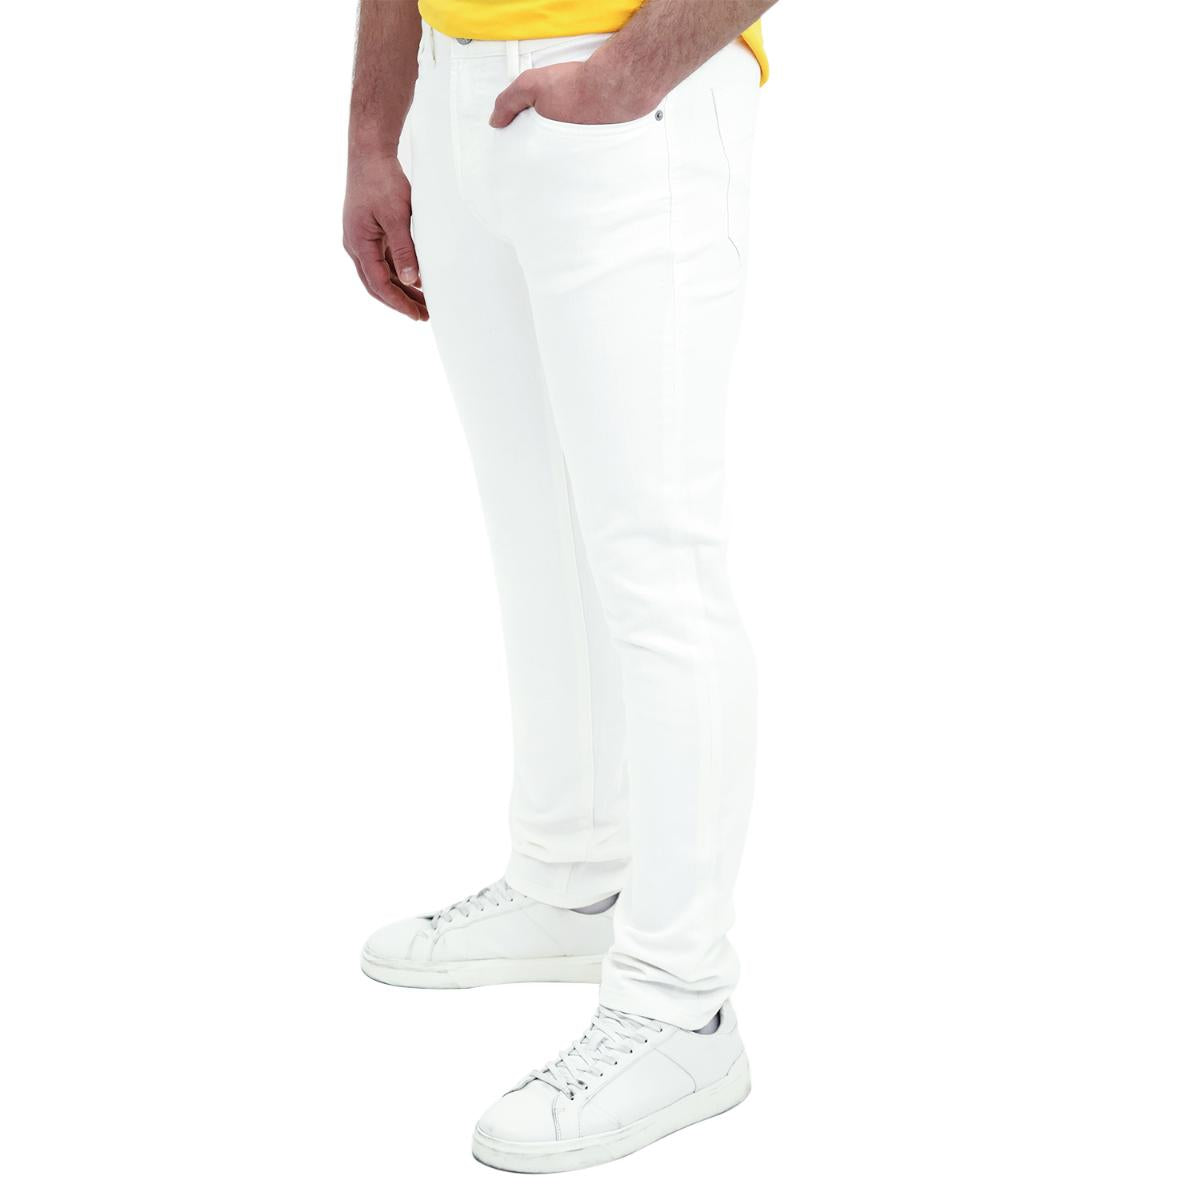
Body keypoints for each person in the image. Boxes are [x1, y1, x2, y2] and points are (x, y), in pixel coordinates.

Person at [343, 0, 775, 1172]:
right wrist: (378, 132)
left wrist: (634, 70)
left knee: (658, 564)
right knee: (533, 524)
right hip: (456, 102)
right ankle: (569, 877)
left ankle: (683, 1004)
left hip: (630, 103)